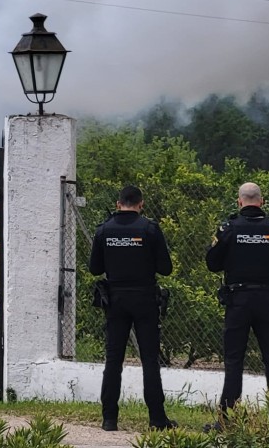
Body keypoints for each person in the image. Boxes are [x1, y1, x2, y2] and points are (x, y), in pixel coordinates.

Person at [89, 185, 176, 432]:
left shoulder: (104, 230)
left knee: (113, 359)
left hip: (115, 300)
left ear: (118, 204)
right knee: (150, 359)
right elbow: (165, 268)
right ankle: (157, 419)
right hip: (145, 299)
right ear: (141, 204)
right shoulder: (150, 229)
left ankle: (109, 419)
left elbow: (95, 269)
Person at [205, 182, 269, 425]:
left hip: (238, 300)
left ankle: (226, 421)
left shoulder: (229, 228)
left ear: (239, 201)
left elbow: (212, 263)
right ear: (261, 202)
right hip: (268, 299)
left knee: (234, 360)